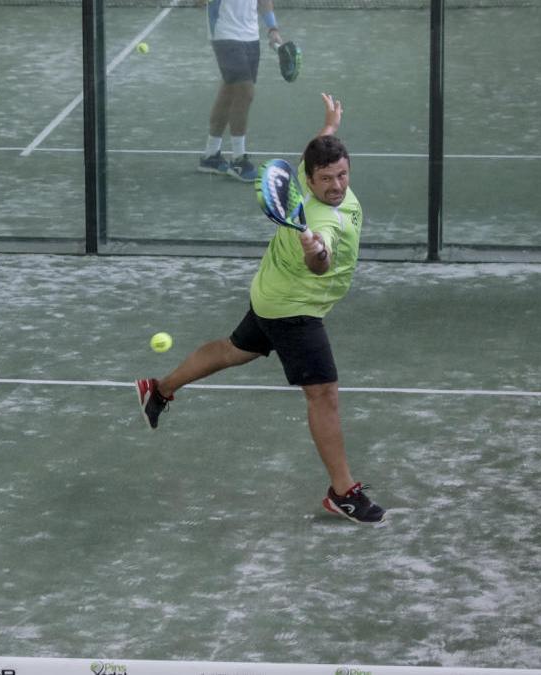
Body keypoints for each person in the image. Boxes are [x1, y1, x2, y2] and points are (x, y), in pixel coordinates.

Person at [138, 93, 386, 525]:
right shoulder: (321, 221)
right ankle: (342, 492)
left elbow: (318, 152)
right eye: (326, 179)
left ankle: (158, 389)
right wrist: (316, 250)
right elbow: (320, 260)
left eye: (343, 175)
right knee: (323, 394)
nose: (337, 186)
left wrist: (328, 126)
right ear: (309, 182)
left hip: (269, 293)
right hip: (293, 309)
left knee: (234, 350)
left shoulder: (317, 176)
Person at [196, 0, 284, 181]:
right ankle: (238, 159)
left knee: (229, 91)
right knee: (246, 92)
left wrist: (272, 28)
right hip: (224, 33)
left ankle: (210, 156)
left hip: (251, 36)